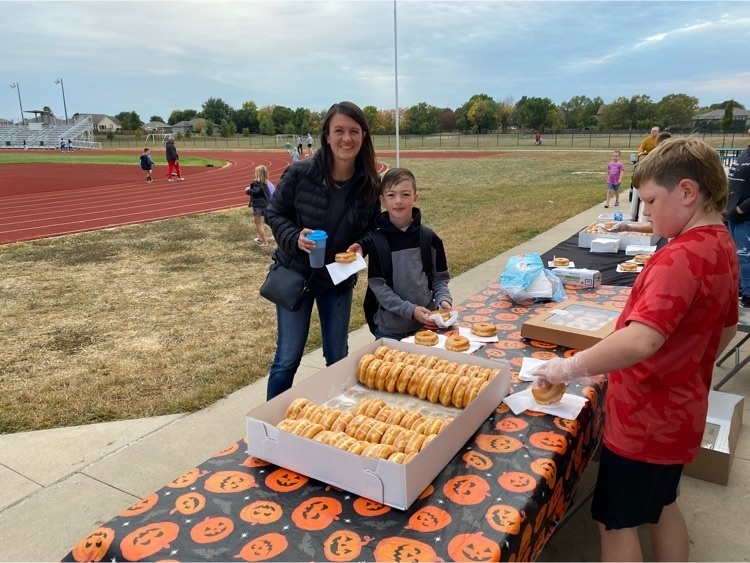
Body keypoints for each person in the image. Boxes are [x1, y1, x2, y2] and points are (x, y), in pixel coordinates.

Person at [531, 137, 739, 562]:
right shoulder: (721, 245)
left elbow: (641, 339)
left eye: (649, 201)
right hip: (681, 411)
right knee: (661, 505)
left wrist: (565, 368)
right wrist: (686, 364)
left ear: (686, 192)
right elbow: (728, 330)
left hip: (646, 421)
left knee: (617, 523)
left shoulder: (679, 258)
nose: (645, 213)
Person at [264, 101, 381, 400]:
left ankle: (335, 417)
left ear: (363, 136)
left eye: (354, 131)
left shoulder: (368, 182)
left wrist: (362, 245)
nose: (346, 138)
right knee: (287, 360)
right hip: (296, 277)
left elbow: (373, 228)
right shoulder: (300, 173)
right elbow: (274, 213)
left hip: (337, 281)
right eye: (338, 130)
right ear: (326, 136)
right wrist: (294, 236)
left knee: (337, 358)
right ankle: (271, 429)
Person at [366, 167, 452, 340]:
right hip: (390, 330)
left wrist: (444, 300)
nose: (398, 200)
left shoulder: (430, 238)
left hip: (426, 326)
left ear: (415, 198)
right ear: (382, 200)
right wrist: (410, 310)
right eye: (391, 195)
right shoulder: (376, 241)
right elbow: (379, 287)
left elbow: (439, 279)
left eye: (405, 194)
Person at [724, 127, 750, 307]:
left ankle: (748, 295)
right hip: (732, 214)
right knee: (735, 255)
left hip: (745, 216)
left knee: (745, 255)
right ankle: (740, 289)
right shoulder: (745, 153)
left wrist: (742, 208)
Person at [245, 165, 275, 247]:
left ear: (258, 173)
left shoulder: (257, 183)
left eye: (255, 172)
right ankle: (261, 238)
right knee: (263, 221)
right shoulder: (265, 183)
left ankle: (265, 242)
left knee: (258, 223)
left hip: (259, 205)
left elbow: (256, 191)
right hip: (266, 204)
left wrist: (248, 191)